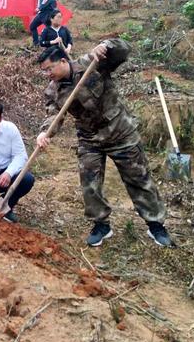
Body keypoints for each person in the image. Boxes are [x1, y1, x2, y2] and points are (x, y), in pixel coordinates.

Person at [35, 42, 173, 247]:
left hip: (120, 132)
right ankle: (101, 225)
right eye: (44, 71)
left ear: (63, 61)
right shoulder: (53, 90)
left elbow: (123, 51)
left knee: (139, 179)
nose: (47, 74)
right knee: (90, 184)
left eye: (49, 68)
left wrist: (107, 46)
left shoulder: (93, 63)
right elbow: (53, 115)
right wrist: (44, 133)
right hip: (89, 138)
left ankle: (155, 225)